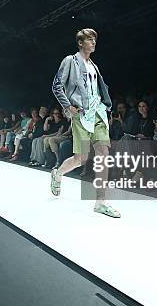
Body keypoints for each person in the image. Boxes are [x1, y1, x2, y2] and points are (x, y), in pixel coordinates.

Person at [50, 28, 120, 218]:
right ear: (80, 43)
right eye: (89, 39)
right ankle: (58, 173)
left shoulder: (93, 65)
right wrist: (68, 106)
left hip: (98, 113)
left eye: (94, 39)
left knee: (103, 153)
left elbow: (97, 90)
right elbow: (57, 85)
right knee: (81, 158)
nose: (93, 42)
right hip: (80, 115)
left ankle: (101, 202)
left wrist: (106, 109)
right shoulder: (70, 61)